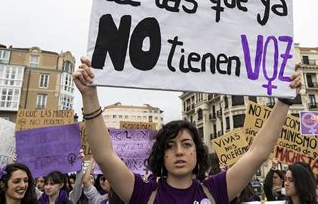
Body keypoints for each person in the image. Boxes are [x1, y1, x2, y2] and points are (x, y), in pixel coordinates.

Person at [74, 57, 301, 203]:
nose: (179, 152)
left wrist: (284, 101)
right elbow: (105, 156)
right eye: (170, 147)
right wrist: (89, 96)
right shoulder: (143, 193)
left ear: (197, 152)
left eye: (186, 144)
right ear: (161, 155)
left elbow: (258, 152)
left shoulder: (216, 190)